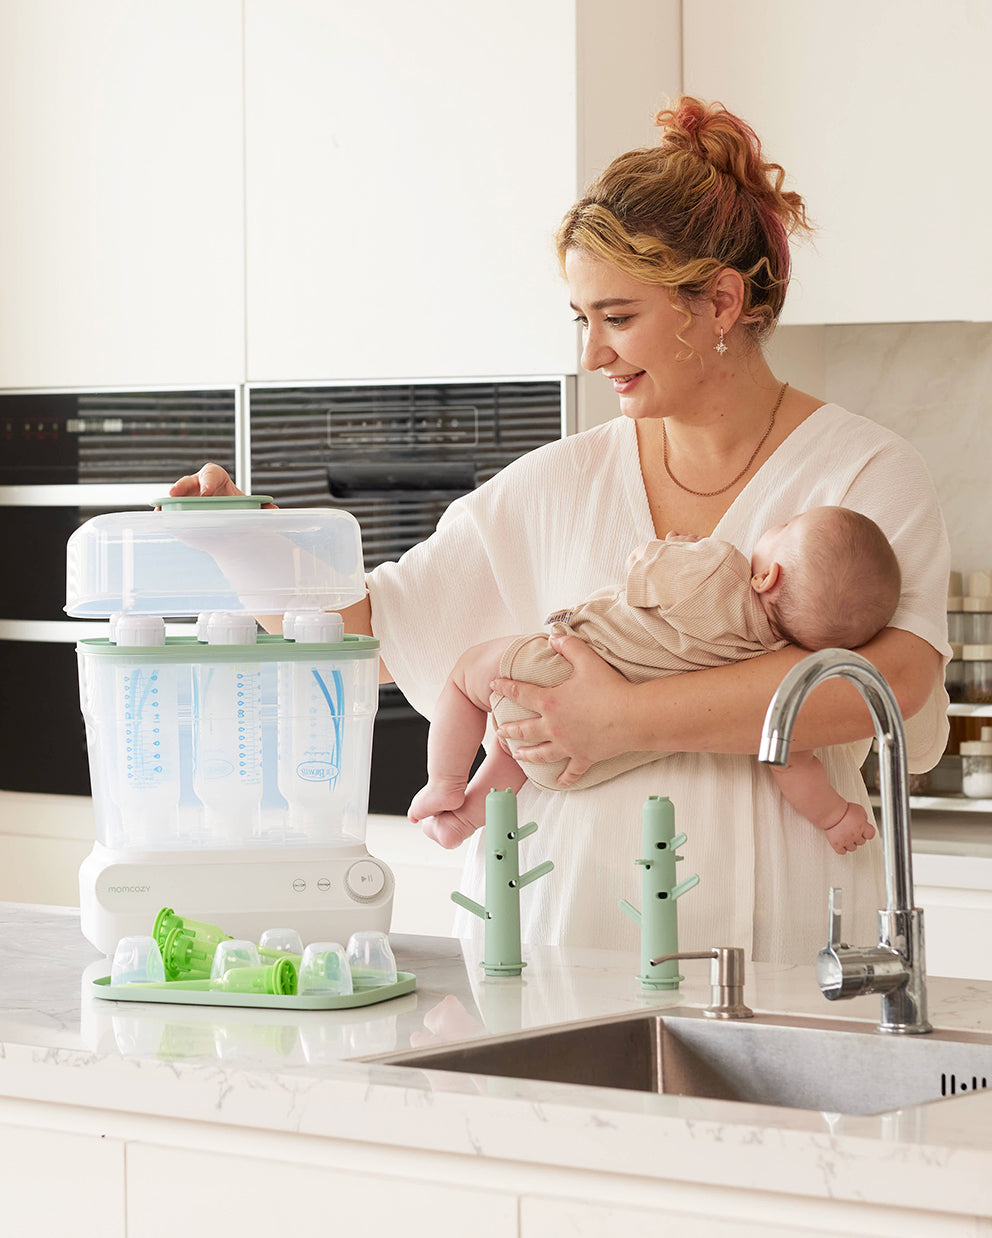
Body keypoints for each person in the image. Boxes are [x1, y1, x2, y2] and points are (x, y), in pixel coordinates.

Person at [171, 96, 950, 965]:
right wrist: (242, 539)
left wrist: (622, 719)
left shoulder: (862, 472)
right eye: (583, 319)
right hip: (561, 945)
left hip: (788, 951)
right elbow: (367, 631)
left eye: (619, 317)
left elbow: (893, 682)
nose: (591, 353)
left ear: (722, 303)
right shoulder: (557, 482)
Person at [408, 506, 899, 858]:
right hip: (578, 763)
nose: (776, 525)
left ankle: (444, 784)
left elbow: (640, 566)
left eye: (785, 528)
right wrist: (835, 817)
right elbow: (790, 760)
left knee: (466, 676)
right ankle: (464, 820)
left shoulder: (720, 568)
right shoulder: (776, 673)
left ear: (767, 577)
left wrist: (676, 549)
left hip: (550, 670)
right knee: (516, 750)